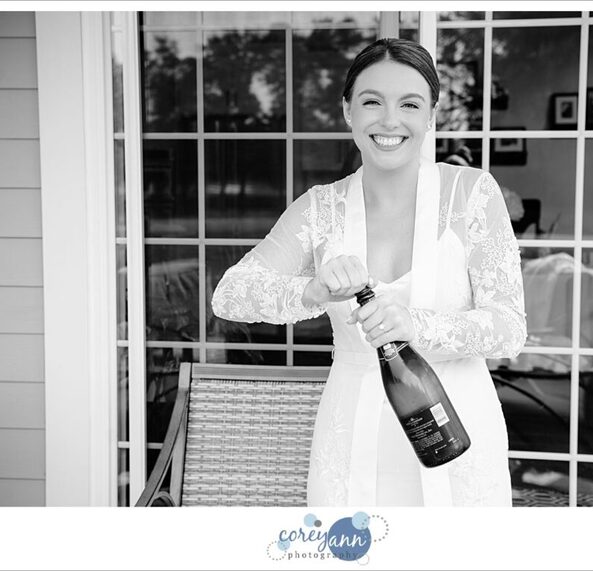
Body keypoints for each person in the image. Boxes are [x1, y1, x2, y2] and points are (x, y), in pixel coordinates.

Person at [212, 38, 526, 506]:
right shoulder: (320, 208)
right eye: (372, 102)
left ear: (431, 115)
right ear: (348, 111)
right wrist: (313, 290)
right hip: (351, 440)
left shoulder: (473, 194)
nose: (389, 120)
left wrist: (416, 325)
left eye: (410, 104)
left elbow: (509, 328)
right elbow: (229, 295)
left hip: (459, 437)